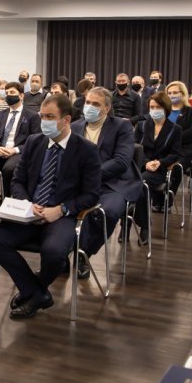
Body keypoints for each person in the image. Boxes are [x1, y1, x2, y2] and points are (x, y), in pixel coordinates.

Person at [0, 94, 101, 319]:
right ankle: (37, 293)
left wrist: (62, 209)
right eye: (42, 116)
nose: (44, 121)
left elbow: (92, 194)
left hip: (62, 215)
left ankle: (33, 291)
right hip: (30, 211)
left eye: (50, 117)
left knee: (54, 252)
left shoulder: (86, 149)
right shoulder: (34, 142)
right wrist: (27, 203)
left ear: (66, 120)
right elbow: (18, 181)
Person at [71, 87, 141, 279]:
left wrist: (90, 175)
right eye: (88, 103)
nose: (89, 107)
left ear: (107, 108)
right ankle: (60, 253)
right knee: (59, 206)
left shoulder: (122, 126)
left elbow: (121, 161)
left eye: (96, 104)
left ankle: (83, 254)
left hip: (113, 183)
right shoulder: (75, 126)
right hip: (81, 183)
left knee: (108, 212)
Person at [0, 81, 41, 206]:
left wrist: (15, 150)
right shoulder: (0, 115)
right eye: (7, 93)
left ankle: (4, 199)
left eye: (12, 92)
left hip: (18, 152)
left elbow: (35, 141)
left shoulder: (32, 116)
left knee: (9, 169)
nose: (8, 95)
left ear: (21, 95)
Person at [133, 92, 183, 240]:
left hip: (159, 169)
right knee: (130, 182)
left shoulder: (175, 129)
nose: (154, 110)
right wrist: (146, 162)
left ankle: (144, 225)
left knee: (142, 183)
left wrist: (160, 162)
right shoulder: (142, 126)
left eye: (158, 107)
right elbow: (135, 148)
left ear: (166, 108)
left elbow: (175, 154)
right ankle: (127, 222)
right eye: (152, 107)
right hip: (140, 165)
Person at [166, 81, 192, 187]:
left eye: (175, 92)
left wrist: (171, 137)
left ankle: (169, 195)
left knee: (176, 168)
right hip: (164, 148)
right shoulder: (163, 111)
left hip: (184, 150)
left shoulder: (191, 112)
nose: (172, 95)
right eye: (169, 93)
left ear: (183, 94)